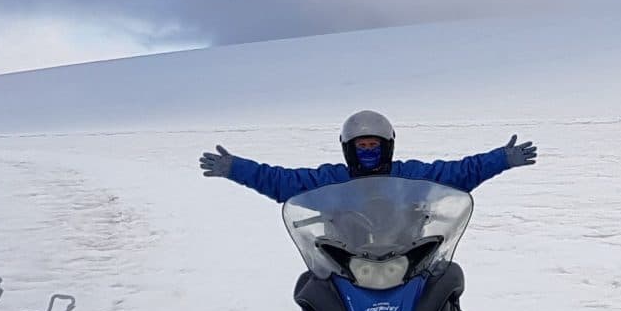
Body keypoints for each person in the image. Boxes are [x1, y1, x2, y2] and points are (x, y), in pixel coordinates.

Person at [199, 110, 536, 201]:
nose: (369, 152)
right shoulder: (332, 179)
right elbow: (282, 181)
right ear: (350, 149)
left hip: (407, 257)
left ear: (387, 146)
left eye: (374, 145)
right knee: (309, 290)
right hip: (346, 259)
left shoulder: (409, 174)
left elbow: (458, 173)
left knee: (447, 283)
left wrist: (501, 159)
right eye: (362, 146)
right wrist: (236, 168)